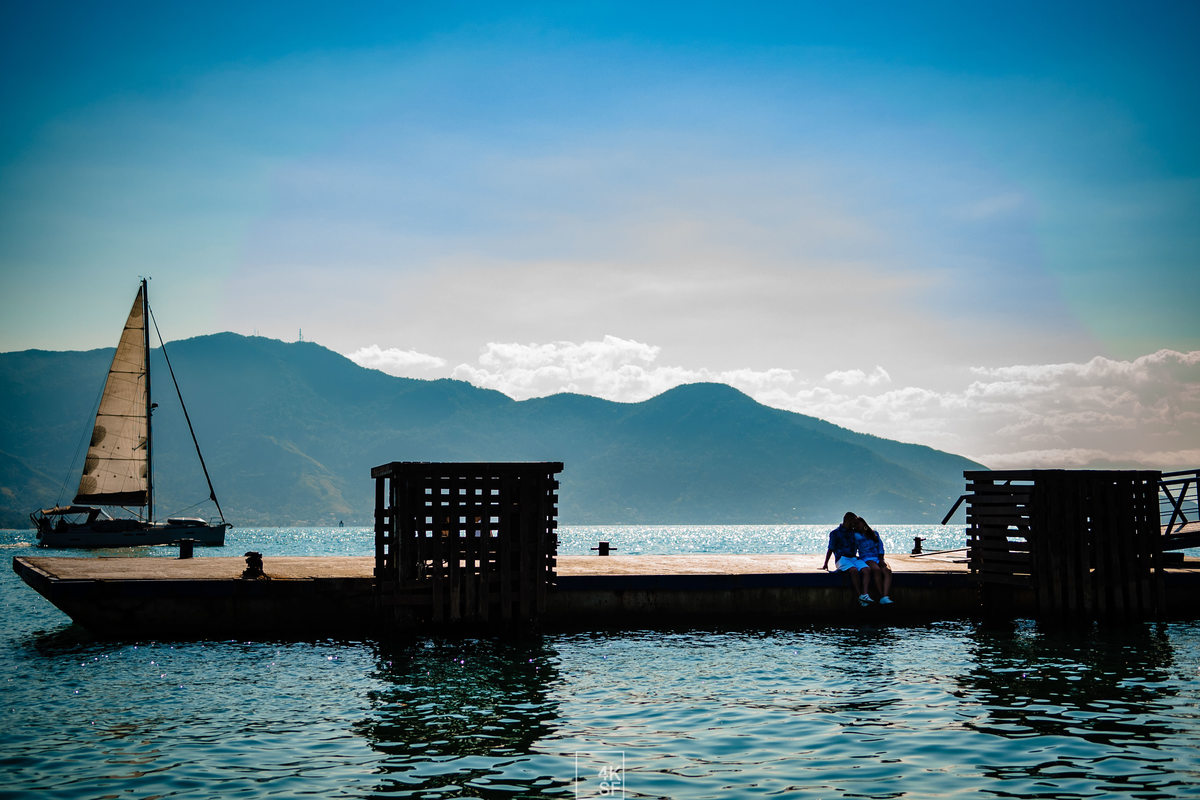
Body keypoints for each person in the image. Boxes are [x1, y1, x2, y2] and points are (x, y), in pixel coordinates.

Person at [823, 511, 872, 606]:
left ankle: (865, 594)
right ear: (848, 521)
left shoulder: (854, 532)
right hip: (842, 559)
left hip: (854, 558)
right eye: (854, 522)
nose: (855, 525)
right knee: (853, 571)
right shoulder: (835, 533)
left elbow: (865, 535)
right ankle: (860, 596)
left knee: (866, 569)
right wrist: (826, 563)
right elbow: (830, 548)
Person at [855, 516, 894, 605]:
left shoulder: (874, 533)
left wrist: (881, 558)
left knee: (887, 570)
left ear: (864, 523)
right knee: (876, 570)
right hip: (866, 557)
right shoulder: (856, 536)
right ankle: (881, 596)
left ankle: (885, 596)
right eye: (856, 524)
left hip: (877, 557)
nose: (858, 525)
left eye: (859, 523)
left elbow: (880, 546)